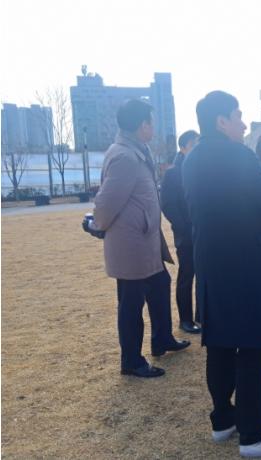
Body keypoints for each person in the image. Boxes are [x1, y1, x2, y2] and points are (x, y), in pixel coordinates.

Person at [182, 91, 261, 457]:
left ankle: (223, 420)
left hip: (210, 261)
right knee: (252, 347)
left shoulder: (191, 159)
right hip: (246, 260)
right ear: (221, 121)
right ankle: (253, 435)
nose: (244, 124)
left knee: (219, 343)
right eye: (238, 116)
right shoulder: (240, 155)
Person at [92, 99, 190, 378]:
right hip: (131, 244)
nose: (153, 127)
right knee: (131, 304)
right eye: (151, 122)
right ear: (141, 125)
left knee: (161, 284)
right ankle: (132, 361)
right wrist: (98, 225)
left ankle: (162, 339)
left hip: (145, 241)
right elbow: (107, 201)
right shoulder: (124, 156)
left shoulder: (136, 151)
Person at [160, 130, 202, 334]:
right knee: (187, 276)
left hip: (205, 233)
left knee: (204, 275)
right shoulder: (173, 173)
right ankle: (185, 319)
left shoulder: (203, 170)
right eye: (194, 145)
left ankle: (202, 315)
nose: (197, 148)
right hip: (186, 235)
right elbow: (168, 205)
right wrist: (184, 227)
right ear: (183, 148)